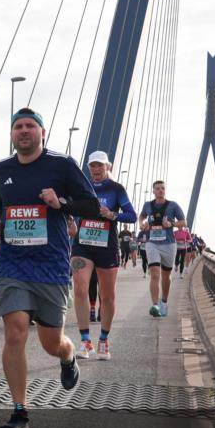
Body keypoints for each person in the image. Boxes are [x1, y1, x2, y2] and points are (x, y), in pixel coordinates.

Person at [0, 108, 100, 428]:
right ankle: (19, 410)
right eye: (18, 126)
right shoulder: (2, 169)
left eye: (30, 126)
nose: (23, 131)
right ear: (11, 134)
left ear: (42, 132)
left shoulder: (62, 165)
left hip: (51, 266)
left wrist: (60, 203)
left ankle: (68, 355)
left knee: (52, 342)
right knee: (15, 332)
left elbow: (91, 206)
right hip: (13, 264)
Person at [69, 151, 135, 361]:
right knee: (80, 288)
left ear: (108, 166)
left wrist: (112, 215)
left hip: (107, 247)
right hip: (83, 244)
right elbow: (70, 208)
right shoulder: (82, 187)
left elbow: (132, 216)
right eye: (92, 166)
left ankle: (104, 340)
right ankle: (85, 341)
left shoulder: (116, 189)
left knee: (107, 296)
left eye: (100, 165)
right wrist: (71, 221)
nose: (96, 169)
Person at [139, 180, 186, 317]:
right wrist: (142, 223)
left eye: (162, 188)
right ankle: (155, 305)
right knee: (154, 273)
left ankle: (164, 301)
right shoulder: (148, 205)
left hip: (169, 244)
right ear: (153, 191)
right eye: (157, 188)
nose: (160, 190)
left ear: (165, 190)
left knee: (166, 276)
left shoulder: (173, 205)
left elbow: (183, 222)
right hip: (152, 243)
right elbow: (141, 216)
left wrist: (171, 224)